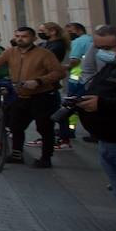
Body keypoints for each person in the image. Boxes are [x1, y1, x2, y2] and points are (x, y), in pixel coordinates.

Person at [0, 26, 67, 167]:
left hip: (42, 95)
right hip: (20, 94)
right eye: (17, 36)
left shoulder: (44, 54)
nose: (20, 39)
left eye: (24, 36)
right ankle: (16, 154)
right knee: (15, 125)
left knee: (44, 127)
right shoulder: (11, 52)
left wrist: (38, 81)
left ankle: (46, 157)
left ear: (33, 38)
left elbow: (59, 73)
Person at [76, 24, 116, 231]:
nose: (100, 53)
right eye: (97, 47)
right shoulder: (113, 65)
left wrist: (102, 104)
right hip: (108, 139)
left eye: (105, 47)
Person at [37, 22, 72, 152]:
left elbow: (42, 61)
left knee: (55, 110)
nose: (39, 33)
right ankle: (50, 137)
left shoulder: (56, 46)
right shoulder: (49, 44)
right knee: (51, 111)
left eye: (42, 30)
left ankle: (63, 138)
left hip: (50, 82)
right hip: (48, 82)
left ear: (52, 32)